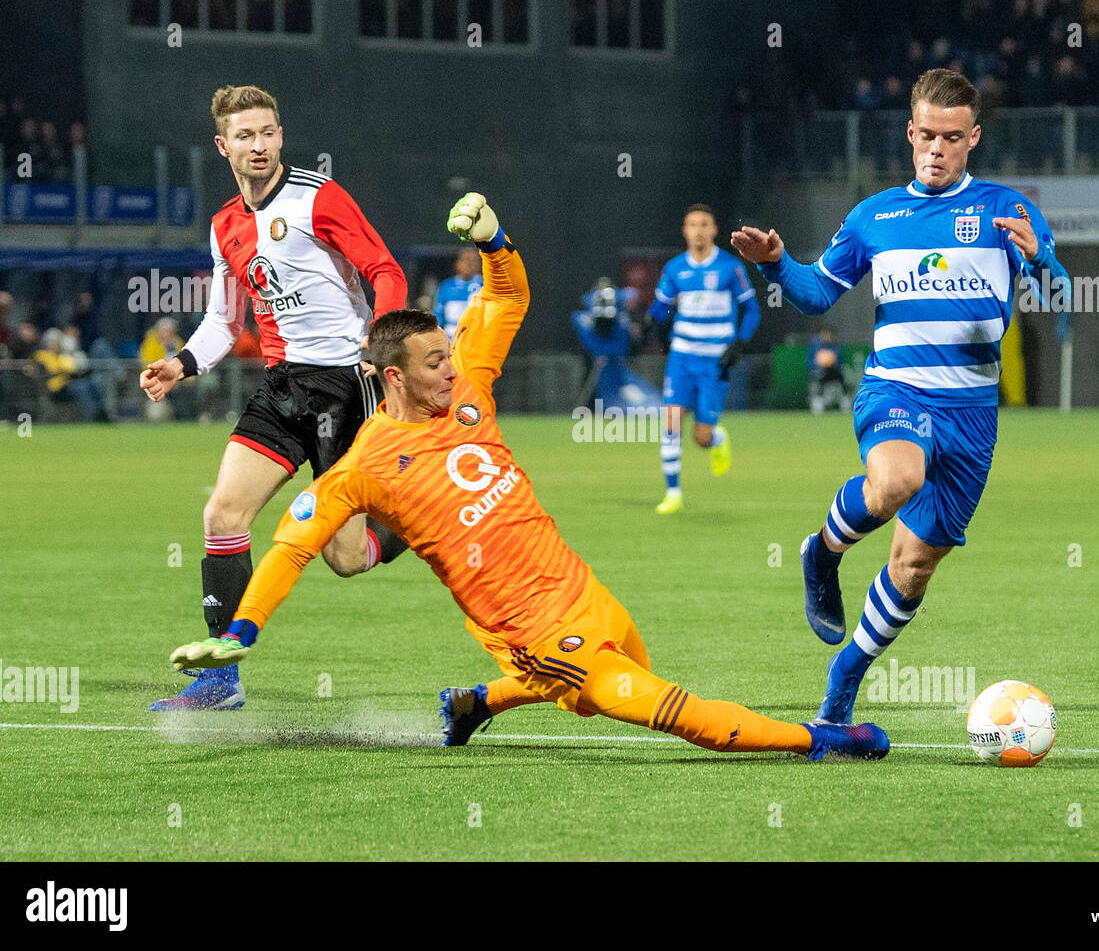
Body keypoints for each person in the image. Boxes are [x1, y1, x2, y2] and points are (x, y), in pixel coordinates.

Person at [167, 193, 889, 764]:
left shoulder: (467, 386)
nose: (452, 368)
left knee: (622, 671)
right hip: (542, 640)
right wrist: (243, 629)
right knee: (681, 714)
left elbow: (507, 298)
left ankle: (477, 704)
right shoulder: (362, 470)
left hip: (589, 592)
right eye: (434, 364)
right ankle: (823, 740)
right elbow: (295, 546)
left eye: (450, 355)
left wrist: (494, 241)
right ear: (393, 378)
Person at [731, 68, 1070, 727]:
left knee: (913, 568)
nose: (937, 149)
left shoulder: (1009, 210)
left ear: (973, 137)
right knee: (894, 482)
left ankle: (844, 677)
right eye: (926, 136)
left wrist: (1042, 265)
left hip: (972, 418)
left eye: (951, 137)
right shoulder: (873, 217)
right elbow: (814, 294)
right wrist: (775, 262)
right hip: (896, 389)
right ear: (910, 133)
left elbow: (1060, 307)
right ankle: (823, 552)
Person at [139, 85, 410, 711]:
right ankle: (220, 679)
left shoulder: (319, 197)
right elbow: (226, 321)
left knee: (346, 558)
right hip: (283, 386)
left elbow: (386, 271)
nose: (257, 145)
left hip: (346, 383)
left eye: (267, 133)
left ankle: (414, 520)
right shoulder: (224, 225)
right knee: (222, 515)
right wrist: (180, 364)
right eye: (244, 136)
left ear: (280, 136)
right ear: (223, 146)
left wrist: (379, 342)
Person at [647, 204, 760, 514]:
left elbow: (752, 310)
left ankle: (717, 438)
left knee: (701, 436)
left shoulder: (729, 267)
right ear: (685, 231)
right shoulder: (674, 269)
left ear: (713, 230)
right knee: (671, 422)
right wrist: (649, 322)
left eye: (704, 224)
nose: (698, 229)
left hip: (715, 361)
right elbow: (660, 308)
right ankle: (673, 493)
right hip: (682, 356)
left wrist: (739, 343)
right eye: (692, 224)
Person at [431, 245, 482, 340]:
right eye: (465, 260)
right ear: (457, 263)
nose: (468, 264)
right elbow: (438, 314)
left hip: (477, 338)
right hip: (451, 338)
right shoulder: (446, 286)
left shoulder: (486, 285)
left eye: (473, 261)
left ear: (479, 264)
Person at [807, 327, 849, 414]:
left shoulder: (835, 345)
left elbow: (840, 361)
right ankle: (818, 404)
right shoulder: (815, 345)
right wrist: (818, 367)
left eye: (828, 333)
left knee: (842, 378)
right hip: (819, 372)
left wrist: (832, 362)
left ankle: (845, 403)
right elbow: (810, 361)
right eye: (824, 333)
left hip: (833, 371)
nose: (826, 336)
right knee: (819, 381)